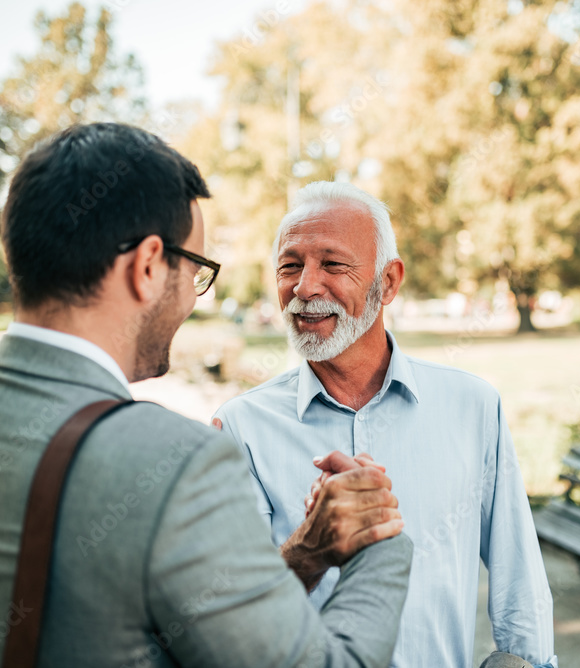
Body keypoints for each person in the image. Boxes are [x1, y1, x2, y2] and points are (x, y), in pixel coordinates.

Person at [0, 124, 412, 667]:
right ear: (147, 266)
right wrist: (382, 539)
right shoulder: (177, 461)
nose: (192, 301)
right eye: (196, 271)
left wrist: (306, 553)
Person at [211, 181, 556, 668]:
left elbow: (518, 577)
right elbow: (230, 619)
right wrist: (309, 549)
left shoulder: (472, 405)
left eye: (333, 264)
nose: (305, 287)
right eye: (291, 266)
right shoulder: (241, 427)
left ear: (388, 282)